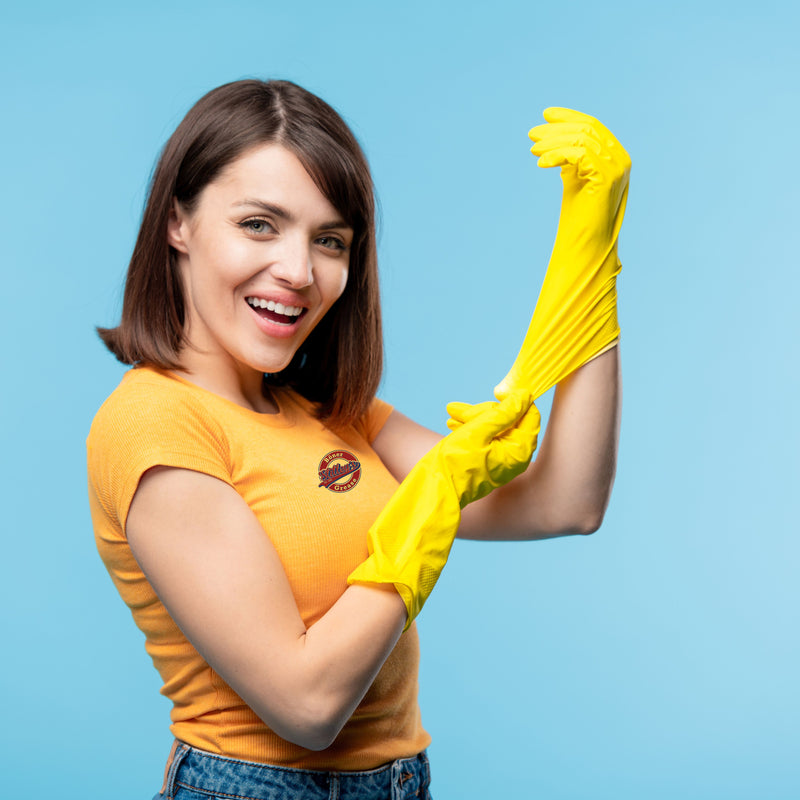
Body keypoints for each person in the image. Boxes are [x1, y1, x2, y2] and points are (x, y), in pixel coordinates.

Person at [87, 79, 628, 800]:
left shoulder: (337, 413)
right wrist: (428, 504)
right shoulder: (154, 424)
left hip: (400, 782)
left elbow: (565, 503)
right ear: (177, 223)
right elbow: (306, 704)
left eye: (329, 240)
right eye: (259, 224)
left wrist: (587, 268)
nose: (299, 271)